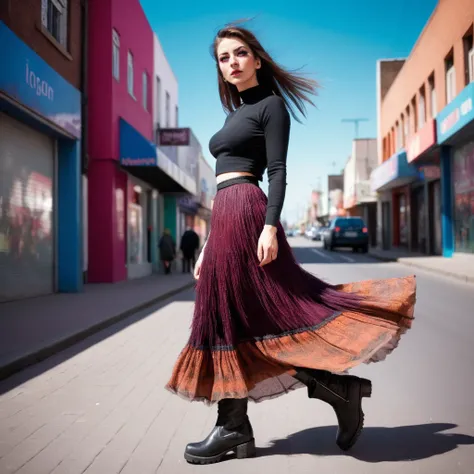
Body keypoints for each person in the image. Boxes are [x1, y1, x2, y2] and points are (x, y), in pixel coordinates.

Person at [166, 24, 416, 465]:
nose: (232, 63)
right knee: (235, 320)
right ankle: (318, 398)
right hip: (225, 217)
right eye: (224, 58)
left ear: (257, 60)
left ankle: (237, 427)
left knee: (247, 317)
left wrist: (268, 226)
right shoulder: (234, 114)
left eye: (240, 54)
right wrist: (207, 244)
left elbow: (277, 172)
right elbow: (221, 187)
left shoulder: (271, 106)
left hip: (248, 214)